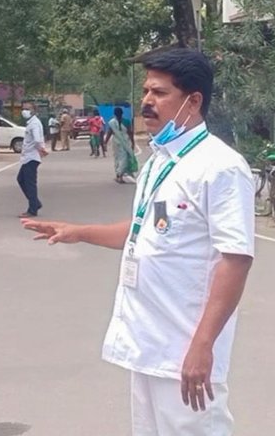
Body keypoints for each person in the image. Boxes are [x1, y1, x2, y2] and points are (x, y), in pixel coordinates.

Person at [22, 48, 254, 436]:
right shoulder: (160, 159)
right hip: (147, 344)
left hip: (185, 349)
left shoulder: (221, 167)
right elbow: (141, 230)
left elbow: (236, 259)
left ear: (193, 100)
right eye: (146, 91)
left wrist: (202, 345)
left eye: (160, 93)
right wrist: (78, 232)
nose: (146, 101)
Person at [17, 102, 48, 218]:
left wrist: (41, 150)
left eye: (27, 109)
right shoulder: (31, 123)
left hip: (32, 157)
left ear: (34, 110)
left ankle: (32, 208)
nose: (24, 111)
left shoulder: (34, 124)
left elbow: (37, 139)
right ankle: (35, 203)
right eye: (23, 108)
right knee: (21, 179)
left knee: (29, 183)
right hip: (28, 157)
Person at [104, 106, 136, 183]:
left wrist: (105, 143)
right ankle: (119, 176)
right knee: (123, 158)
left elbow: (109, 133)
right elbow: (130, 133)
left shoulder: (112, 122)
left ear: (114, 114)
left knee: (118, 158)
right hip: (125, 142)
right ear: (122, 113)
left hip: (116, 142)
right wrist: (132, 142)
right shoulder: (126, 121)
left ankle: (119, 175)